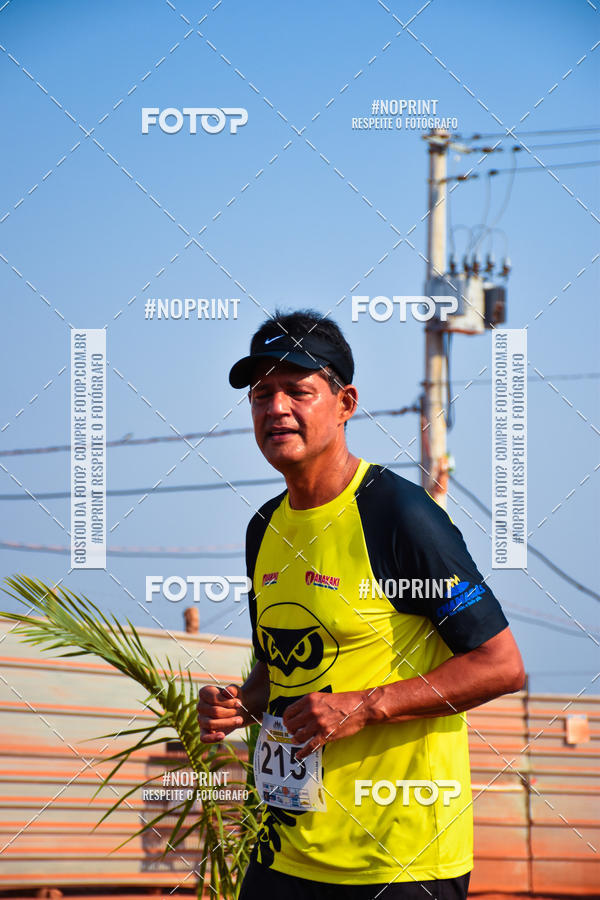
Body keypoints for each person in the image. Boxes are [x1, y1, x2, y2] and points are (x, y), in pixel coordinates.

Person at [197, 309, 525, 899]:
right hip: (282, 851)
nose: (276, 408)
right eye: (261, 394)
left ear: (345, 402)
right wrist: (240, 702)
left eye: (298, 390)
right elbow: (284, 668)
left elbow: (500, 664)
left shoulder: (397, 515)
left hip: (396, 860)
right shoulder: (264, 527)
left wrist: (366, 707)